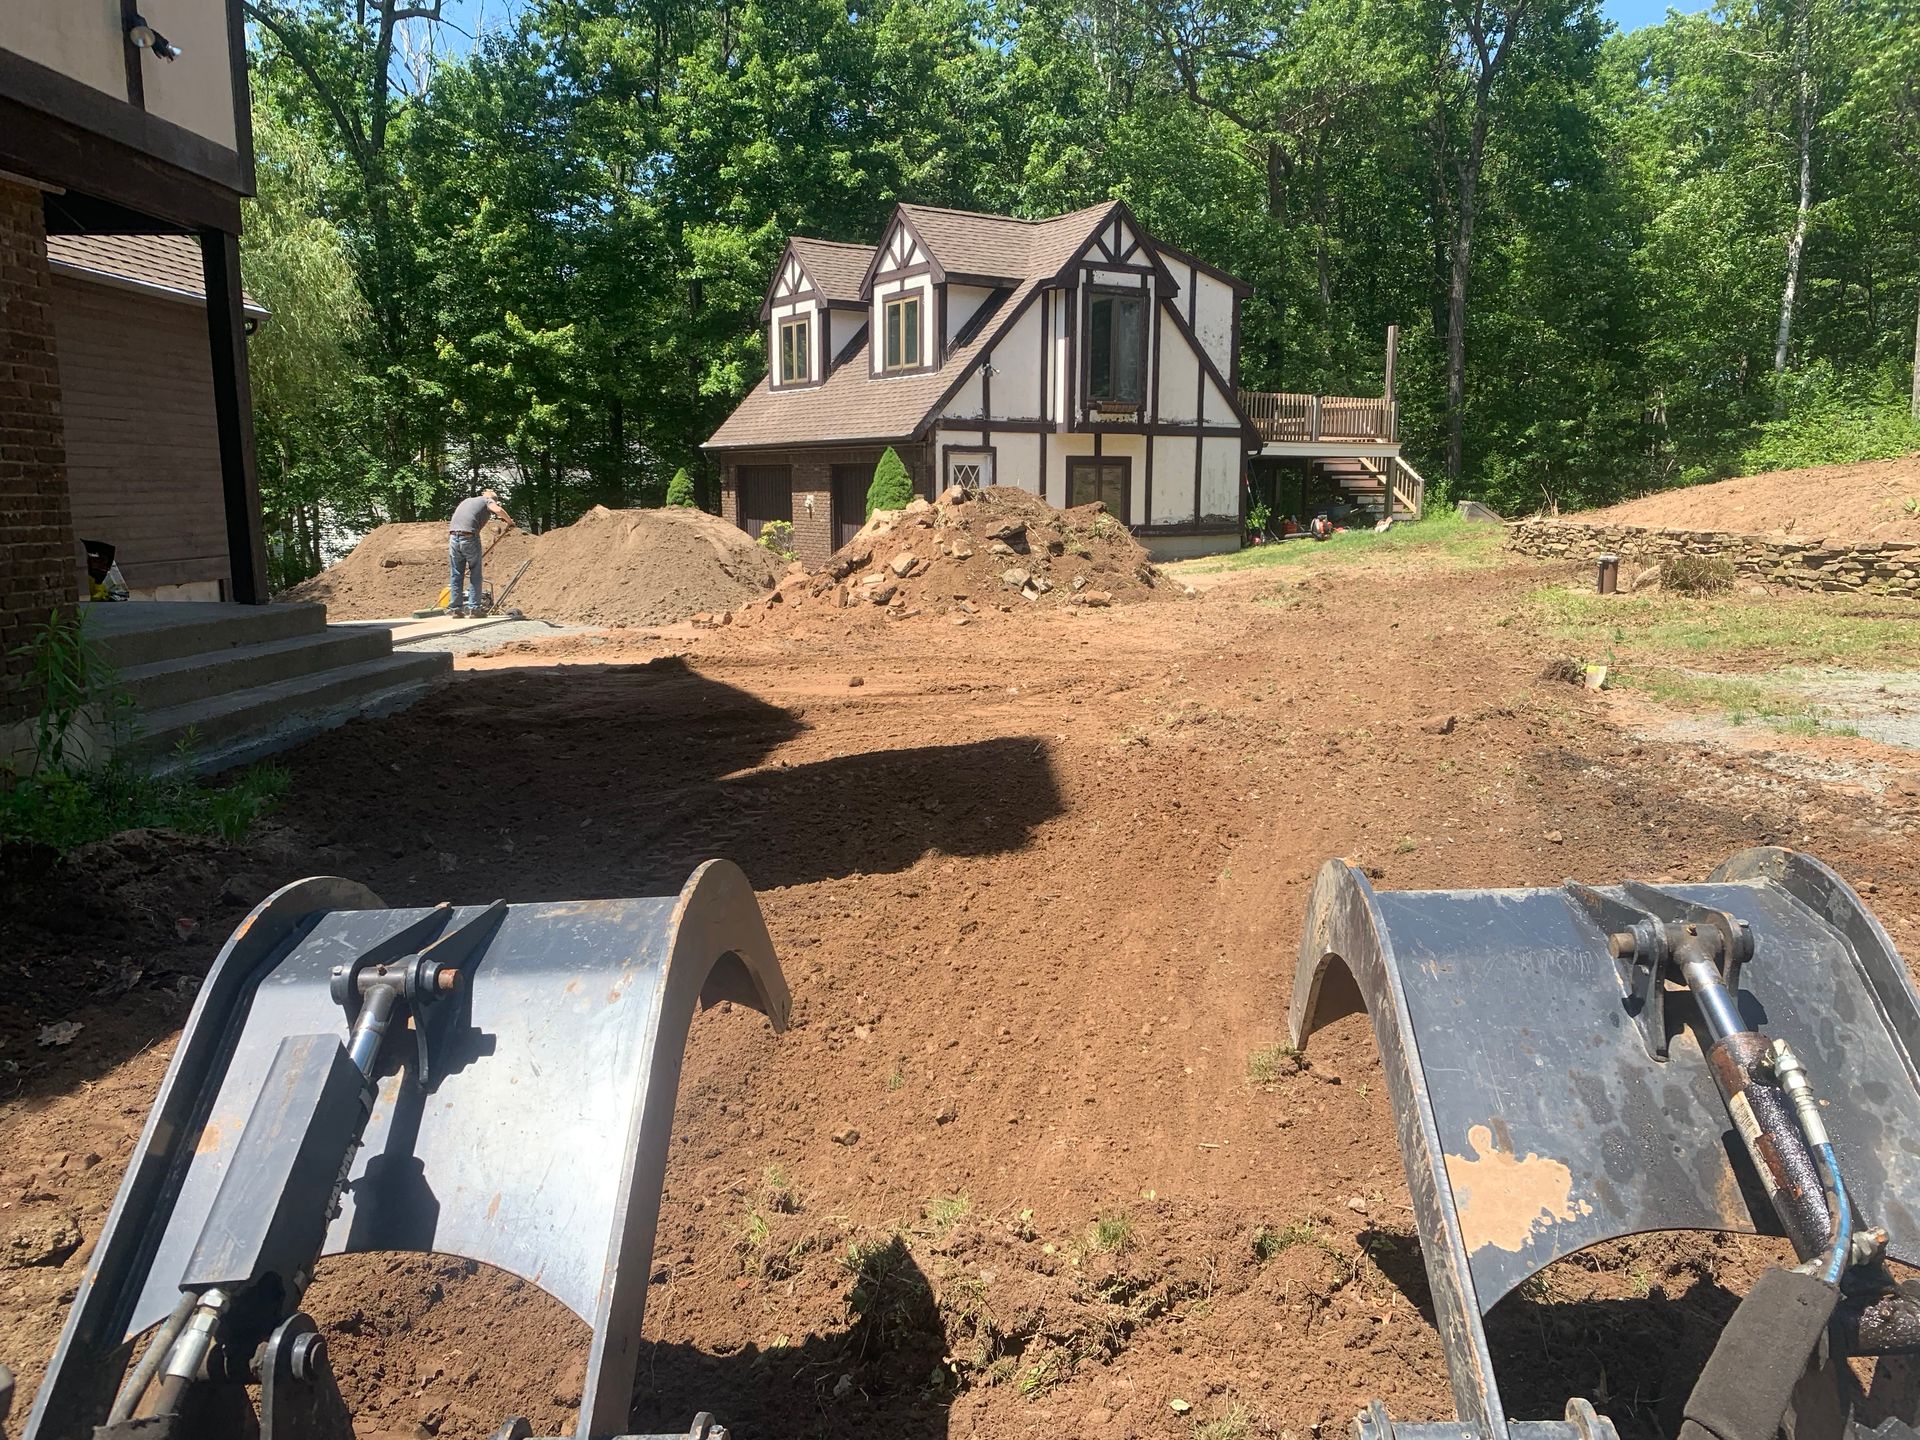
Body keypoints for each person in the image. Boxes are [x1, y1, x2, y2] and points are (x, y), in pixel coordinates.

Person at [447, 488, 519, 617]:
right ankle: (474, 608)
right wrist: (510, 522)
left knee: (456, 574)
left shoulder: (468, 501)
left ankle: (455, 609)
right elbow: (498, 510)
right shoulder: (487, 500)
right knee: (475, 573)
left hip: (453, 537)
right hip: (469, 537)